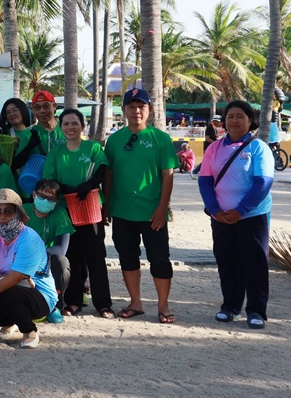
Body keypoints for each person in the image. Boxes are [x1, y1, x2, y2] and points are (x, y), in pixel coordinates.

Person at [104, 88, 178, 323]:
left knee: (160, 259)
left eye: (141, 106)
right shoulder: (114, 140)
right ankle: (135, 302)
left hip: (152, 213)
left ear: (150, 109)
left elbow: (168, 175)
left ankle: (163, 306)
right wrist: (106, 205)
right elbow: (108, 175)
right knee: (128, 258)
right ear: (124, 110)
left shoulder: (161, 139)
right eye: (131, 106)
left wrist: (162, 208)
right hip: (122, 211)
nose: (136, 111)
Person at [198, 101, 274, 329]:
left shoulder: (258, 147)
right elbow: (205, 181)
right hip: (221, 218)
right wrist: (215, 210)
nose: (234, 120)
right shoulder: (214, 148)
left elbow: (263, 182)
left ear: (250, 121)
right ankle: (230, 306)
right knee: (227, 262)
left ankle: (256, 310)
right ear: (224, 121)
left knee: (254, 263)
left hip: (252, 217)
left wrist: (240, 211)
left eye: (240, 116)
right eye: (230, 116)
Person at [0, 189, 58, 349]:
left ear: (17, 214)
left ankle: (30, 331)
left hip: (40, 295)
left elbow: (16, 277)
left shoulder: (29, 238)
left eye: (8, 211)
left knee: (8, 295)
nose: (2, 216)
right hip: (7, 290)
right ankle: (12, 322)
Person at [43, 108, 114, 319]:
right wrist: (66, 189)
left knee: (96, 256)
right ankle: (73, 301)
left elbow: (101, 170)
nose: (70, 127)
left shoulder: (92, 147)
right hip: (66, 210)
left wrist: (88, 185)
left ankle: (103, 304)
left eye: (75, 123)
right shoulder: (56, 152)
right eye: (66, 124)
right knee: (71, 256)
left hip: (91, 208)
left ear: (83, 126)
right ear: (60, 127)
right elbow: (50, 179)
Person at [22, 179, 73, 323]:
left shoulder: (60, 214)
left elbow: (62, 248)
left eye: (51, 199)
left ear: (56, 201)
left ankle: (56, 305)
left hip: (47, 260)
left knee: (62, 262)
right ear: (34, 195)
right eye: (42, 196)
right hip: (22, 258)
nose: (46, 201)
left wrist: (38, 254)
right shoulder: (22, 211)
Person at [0, 97, 35, 171]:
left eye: (15, 110)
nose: (11, 114)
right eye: (8, 112)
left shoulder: (33, 133)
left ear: (22, 110)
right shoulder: (4, 134)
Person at [28, 90, 65, 157]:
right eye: (37, 108)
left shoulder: (66, 129)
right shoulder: (29, 134)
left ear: (54, 106)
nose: (42, 111)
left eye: (46, 106)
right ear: (33, 110)